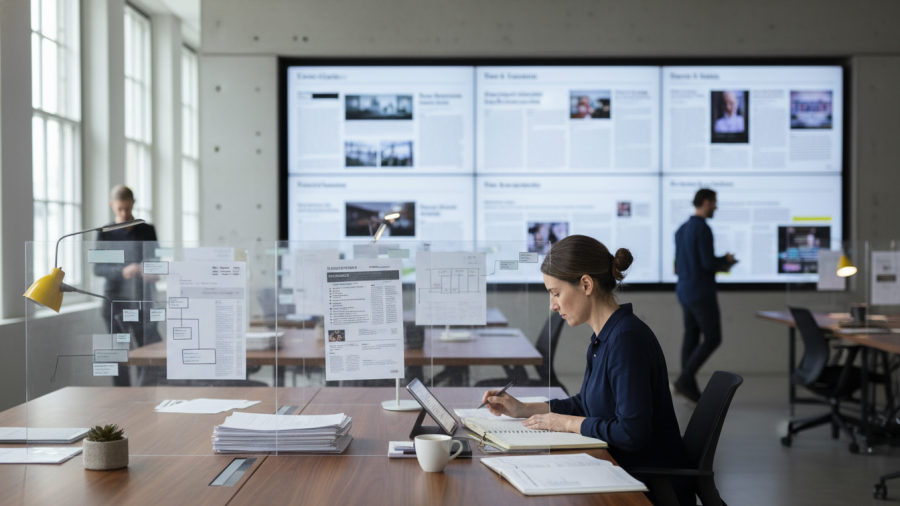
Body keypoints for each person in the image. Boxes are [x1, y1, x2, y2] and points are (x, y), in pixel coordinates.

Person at [481, 235, 695, 506]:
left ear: (586, 284)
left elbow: (631, 433)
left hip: (647, 486)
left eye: (556, 293)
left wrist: (565, 423)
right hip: (619, 470)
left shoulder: (627, 339)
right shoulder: (604, 337)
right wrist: (524, 409)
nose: (553, 305)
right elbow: (585, 403)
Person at [672, 189, 737, 404]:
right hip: (701, 291)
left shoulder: (681, 229)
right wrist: (725, 261)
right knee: (713, 337)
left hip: (684, 290)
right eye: (715, 203)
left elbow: (677, 265)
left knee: (691, 335)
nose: (716, 207)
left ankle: (688, 387)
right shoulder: (703, 229)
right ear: (706, 202)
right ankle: (683, 380)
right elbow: (707, 263)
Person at [93, 185, 160, 385]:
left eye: (128, 209)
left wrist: (150, 271)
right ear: (112, 205)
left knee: (146, 351)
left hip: (142, 300)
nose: (124, 213)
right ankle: (121, 399)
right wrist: (123, 271)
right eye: (120, 209)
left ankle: (146, 395)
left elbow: (156, 262)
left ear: (133, 204)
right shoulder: (105, 233)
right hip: (115, 302)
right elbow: (97, 269)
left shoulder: (147, 230)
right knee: (117, 354)